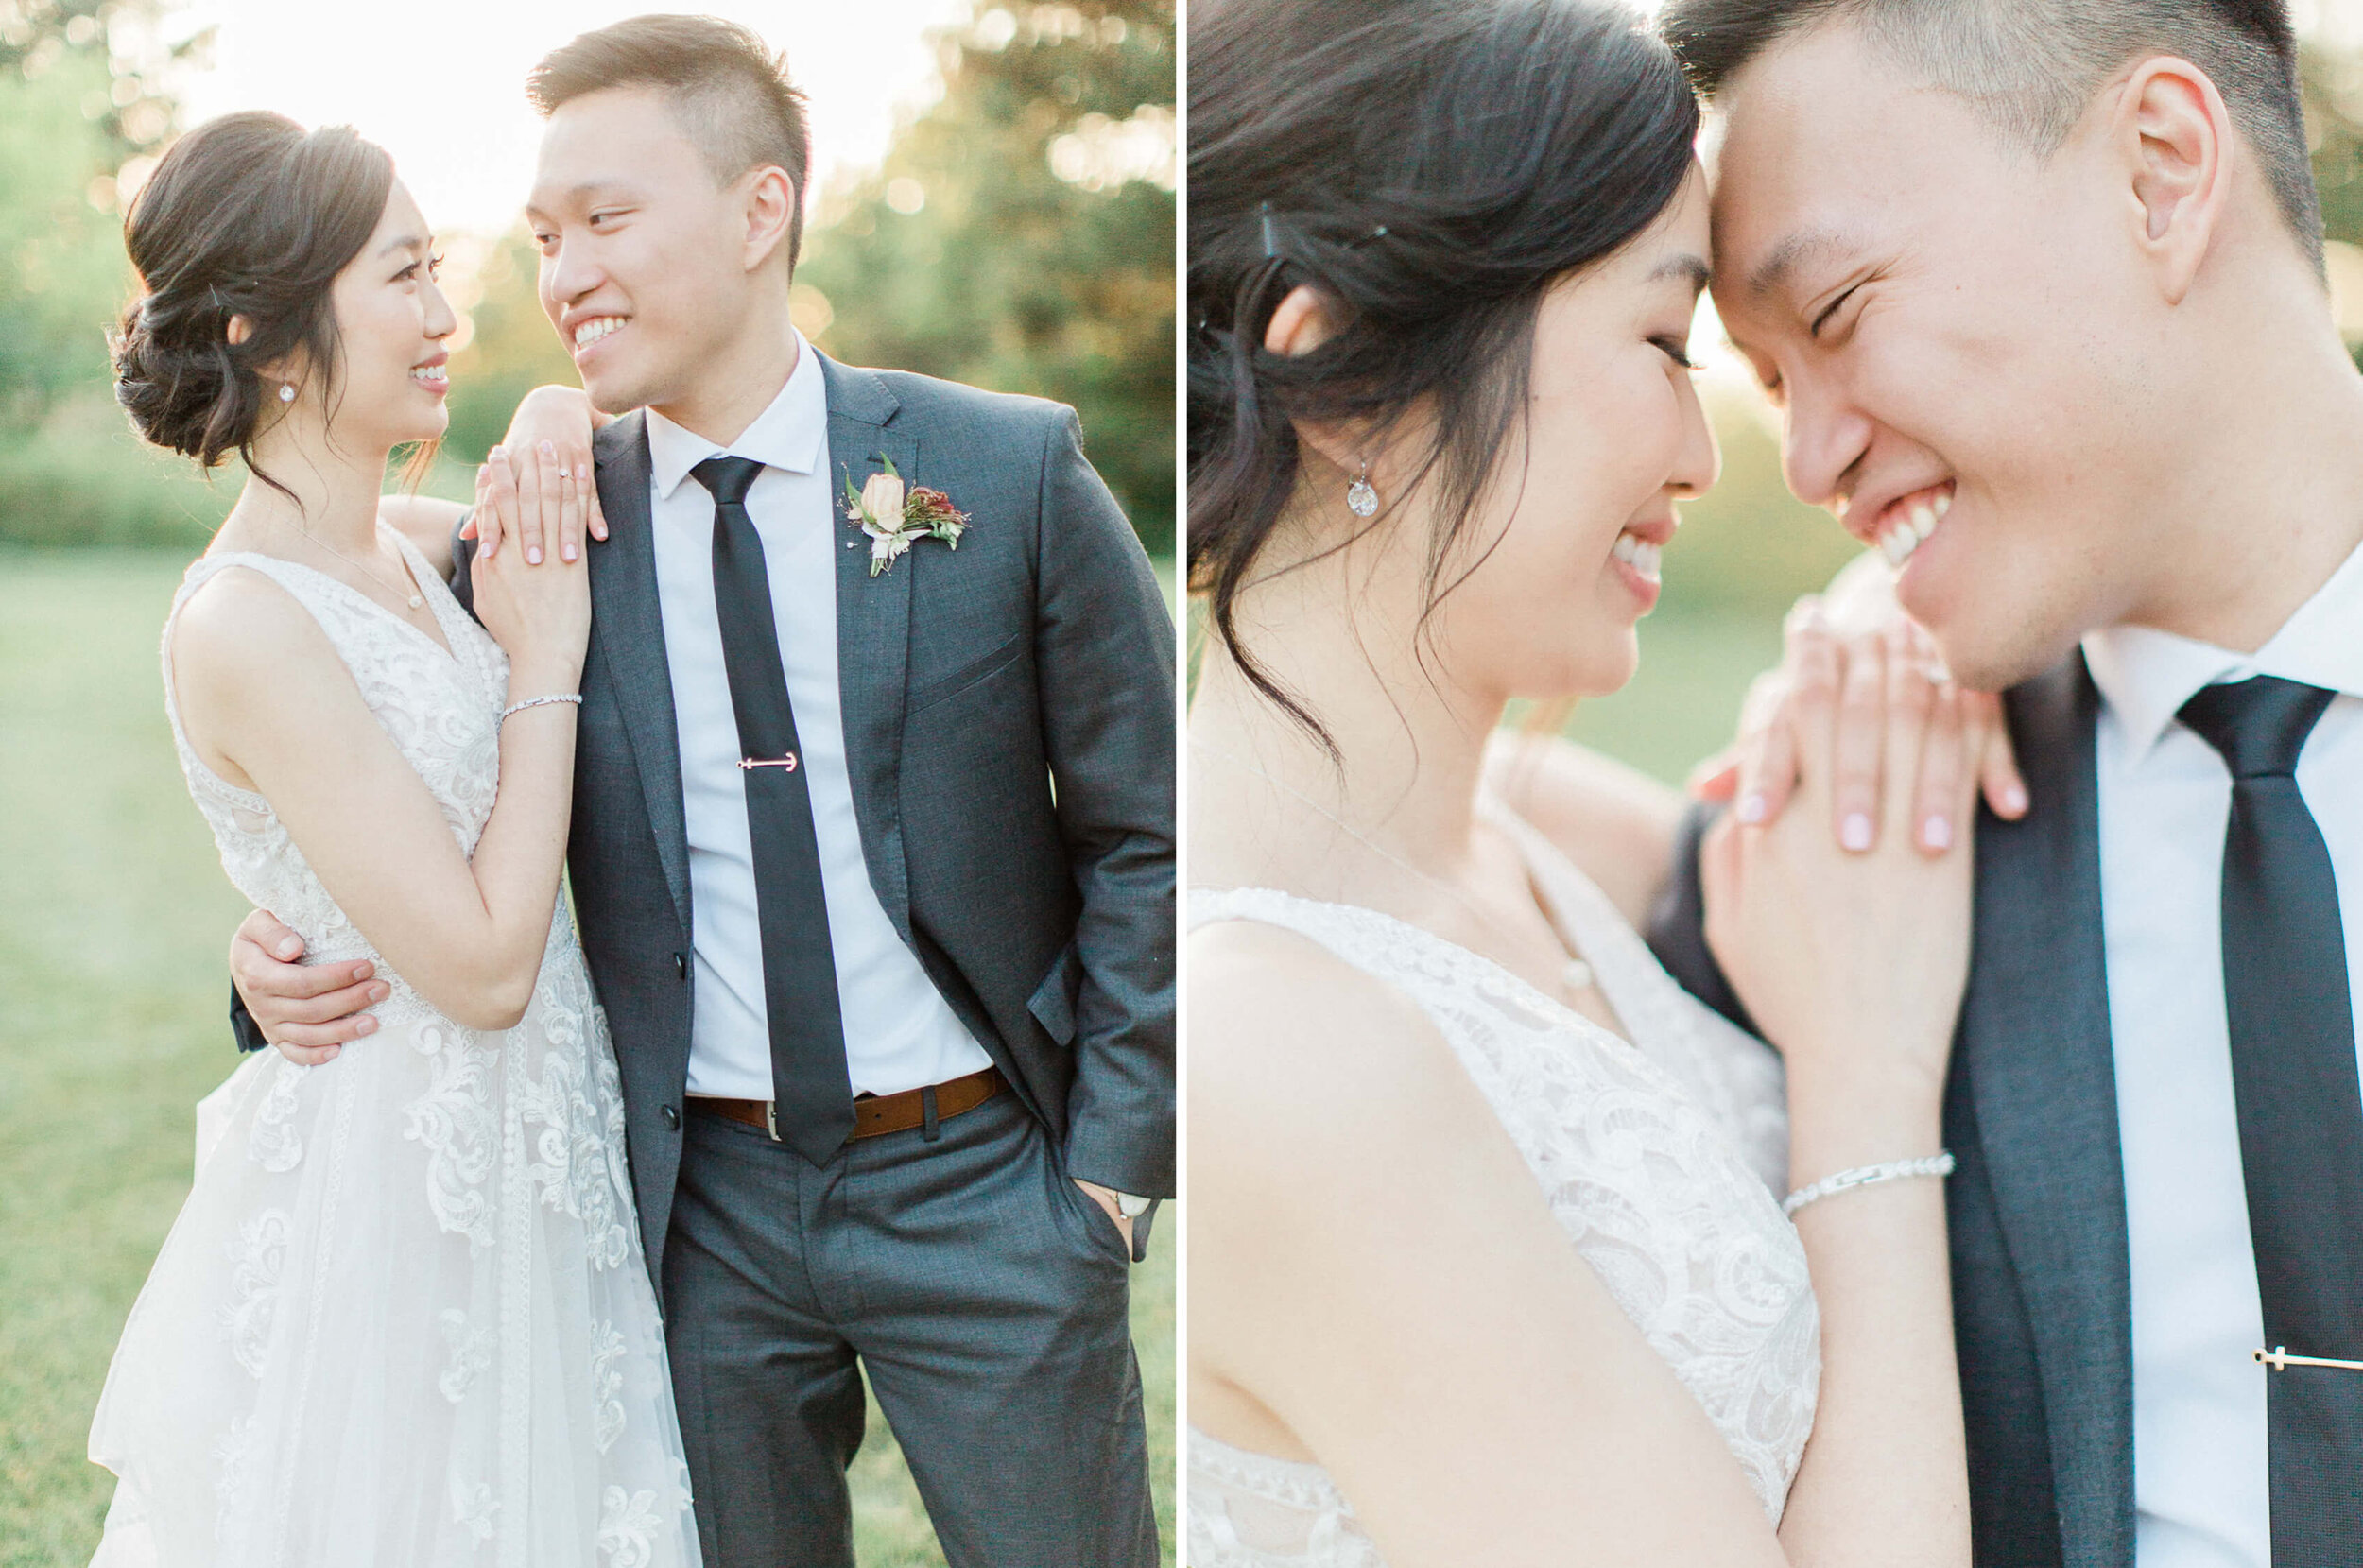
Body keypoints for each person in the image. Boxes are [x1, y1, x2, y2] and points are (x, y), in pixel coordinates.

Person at [227, 17, 1177, 1568]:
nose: (563, 273)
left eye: (607, 219)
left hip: (992, 1189)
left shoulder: (1003, 473)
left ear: (761, 212)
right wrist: (265, 972)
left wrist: (1112, 1180)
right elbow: (401, 796)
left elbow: (1150, 830)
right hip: (695, 1213)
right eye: (541, 236)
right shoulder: (535, 533)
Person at [1183, 2, 2002, 1562]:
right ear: (1344, 368)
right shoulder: (1270, 1050)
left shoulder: (1532, 829)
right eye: (1663, 343)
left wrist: (1890, 630)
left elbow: (1842, 844)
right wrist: (1866, 1086)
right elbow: (1857, 987)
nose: (1705, 454)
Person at [1645, 1, 2363, 1563]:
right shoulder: (1869, 826)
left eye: (1833, 314)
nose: (1813, 458)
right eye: (1768, 388)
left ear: (2162, 172)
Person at [91, 110, 699, 1564]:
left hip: (542, 1151)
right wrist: (541, 665)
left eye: (440, 269)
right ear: (272, 336)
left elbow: (566, 469)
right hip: (400, 1181)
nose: (447, 315)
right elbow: (484, 965)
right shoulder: (244, 623)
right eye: (405, 277)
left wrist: (554, 415)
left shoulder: (414, 547)